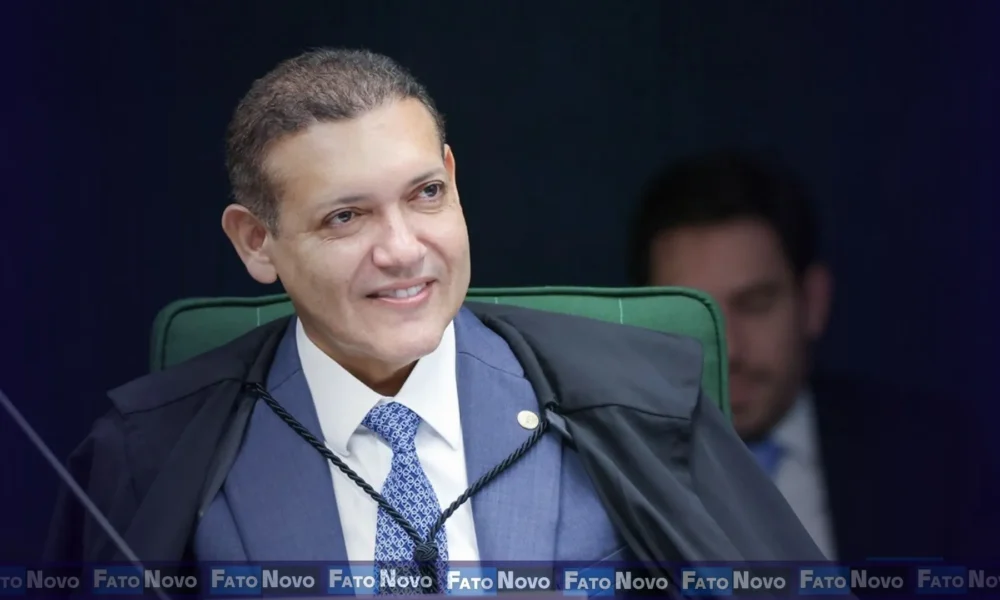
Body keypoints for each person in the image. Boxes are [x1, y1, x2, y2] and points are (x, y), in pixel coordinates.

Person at [43, 51, 824, 585]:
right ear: (257, 241)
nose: (403, 250)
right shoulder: (144, 454)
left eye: (425, 195)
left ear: (452, 176)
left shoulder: (639, 402)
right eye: (346, 217)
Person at [628, 150, 997, 562]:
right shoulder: (593, 476)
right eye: (689, 314)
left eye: (755, 304)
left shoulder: (934, 459)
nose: (729, 349)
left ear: (813, 302)